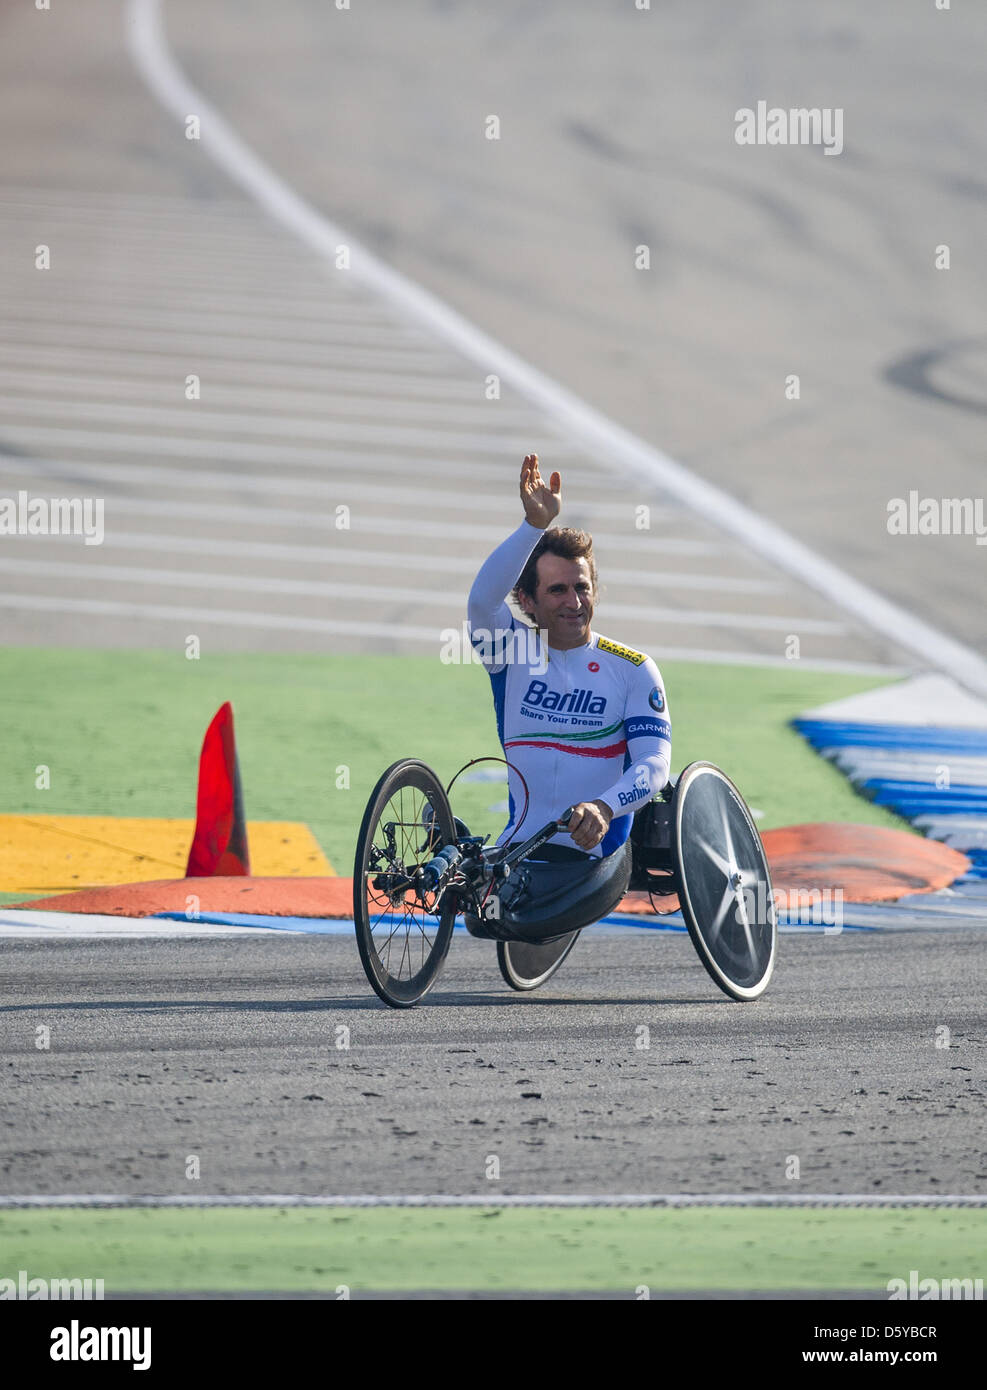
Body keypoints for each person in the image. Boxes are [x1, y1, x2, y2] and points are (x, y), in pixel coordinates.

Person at [467, 454, 671, 860]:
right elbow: (481, 601)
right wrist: (533, 526)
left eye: (582, 587)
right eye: (557, 590)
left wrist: (603, 807)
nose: (574, 602)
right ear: (527, 600)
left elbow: (655, 764)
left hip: (598, 849)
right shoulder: (510, 651)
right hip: (518, 847)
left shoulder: (633, 668)